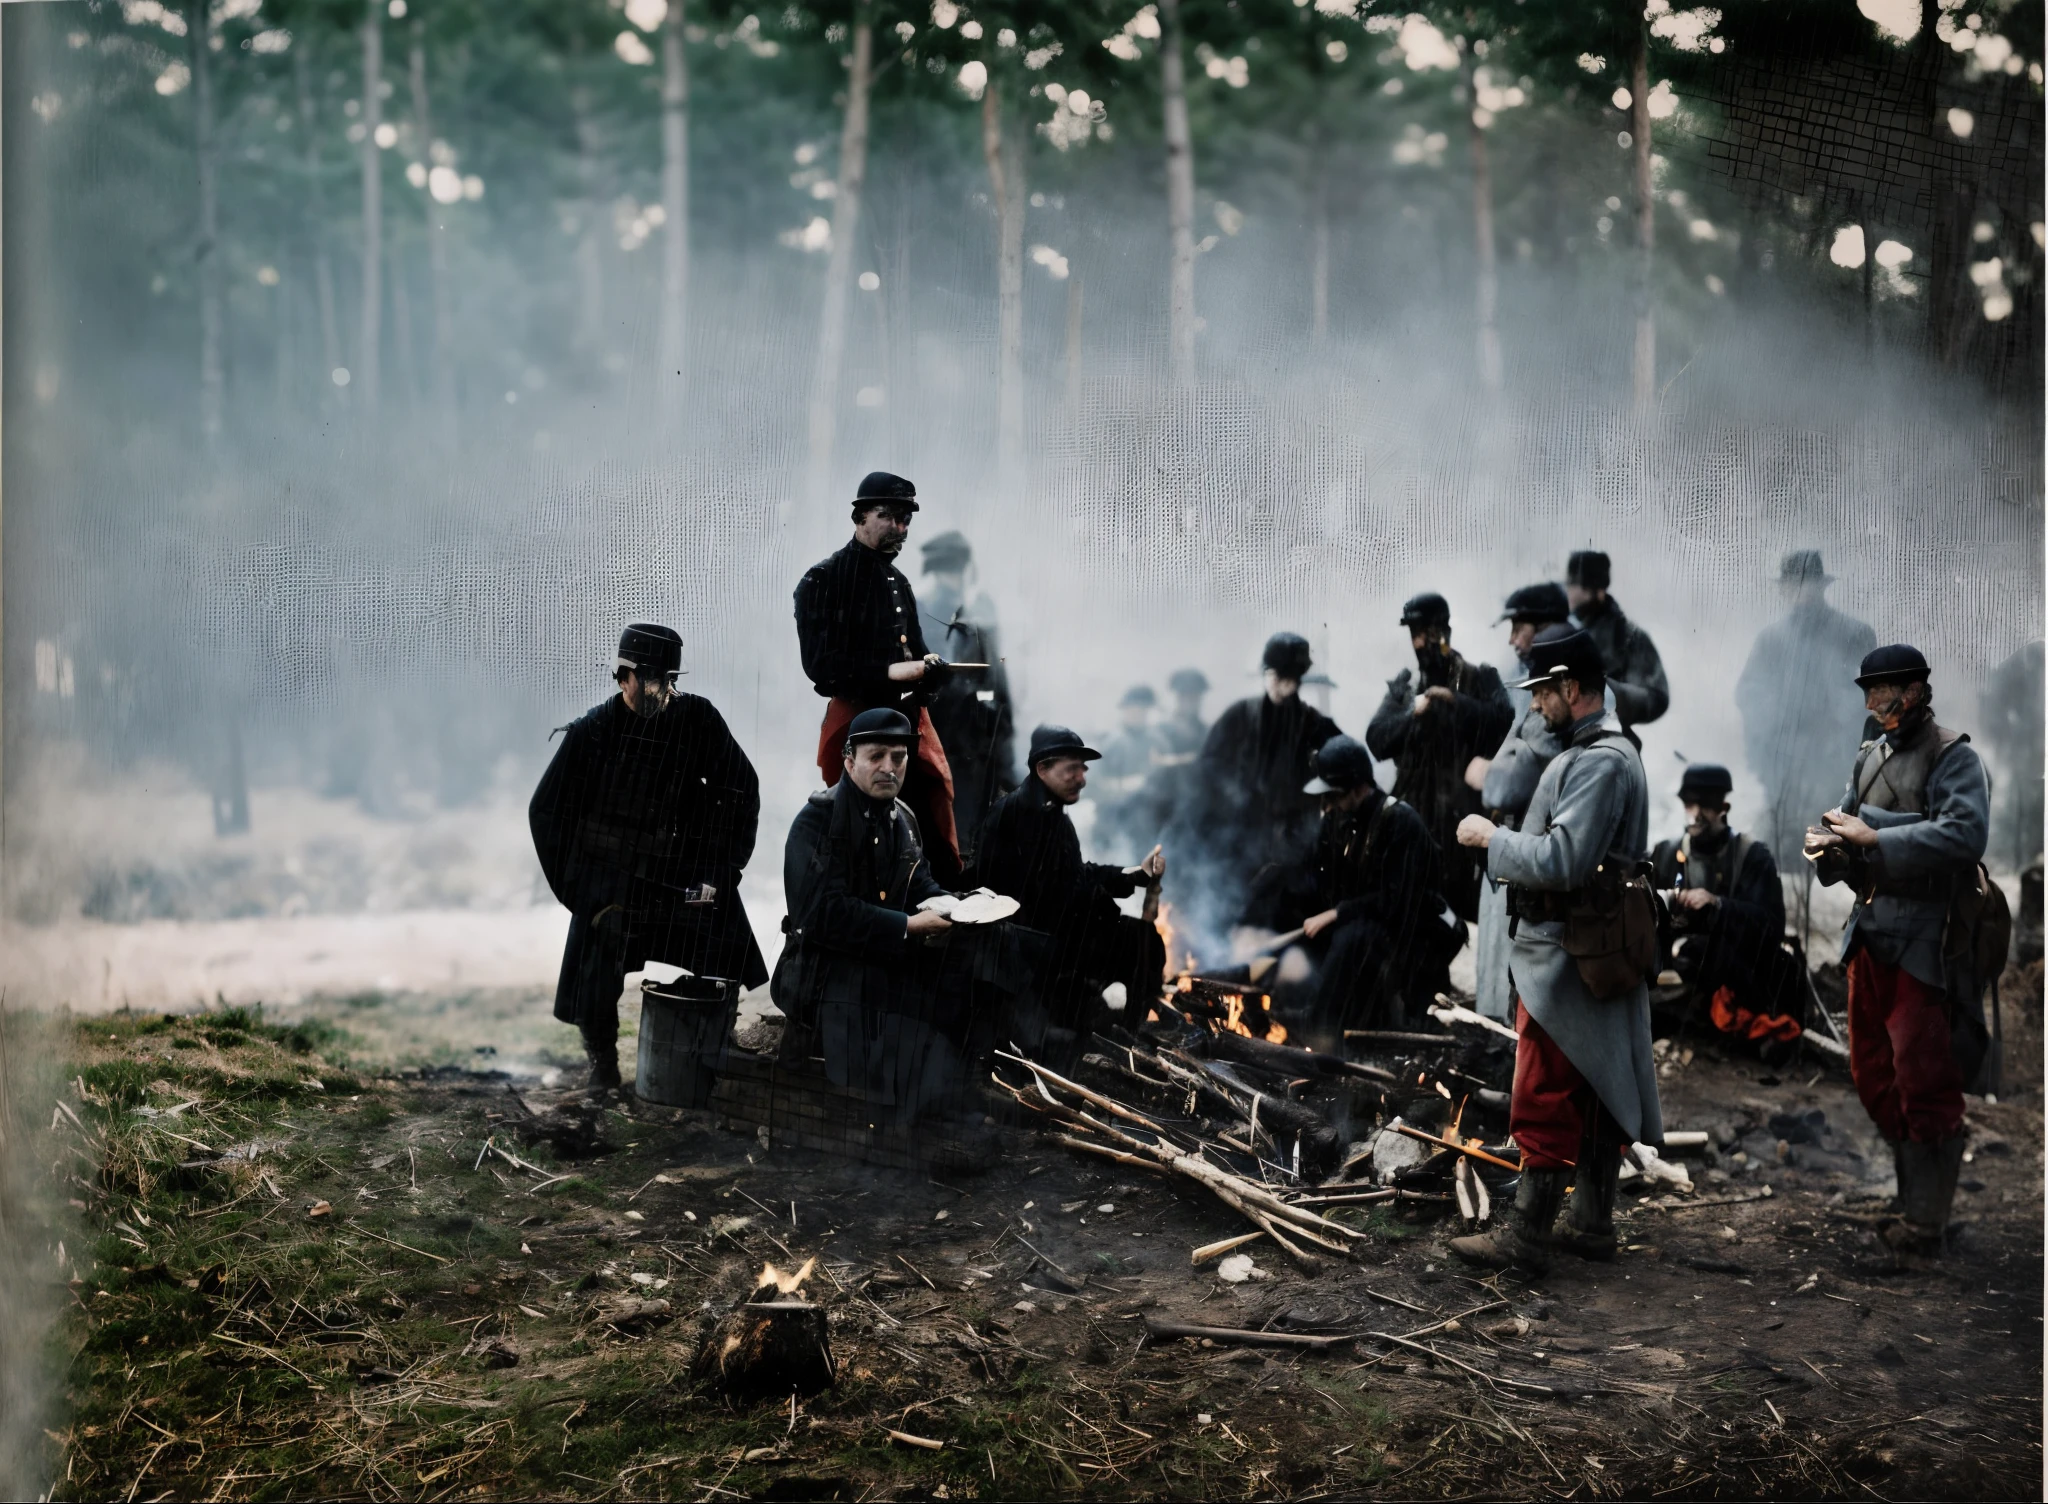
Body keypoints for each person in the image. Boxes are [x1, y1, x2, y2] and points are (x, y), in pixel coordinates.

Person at [1448, 628, 1662, 1274]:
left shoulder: (1600, 760)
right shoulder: (1598, 753)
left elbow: (1566, 860)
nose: (1537, 706)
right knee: (1595, 1086)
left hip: (1570, 951)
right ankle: (1592, 1222)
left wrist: (1493, 840)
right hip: (1585, 947)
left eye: (1543, 691)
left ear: (1572, 687)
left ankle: (1528, 1237)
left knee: (1541, 1090)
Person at [1807, 644, 1992, 1255]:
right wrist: (1830, 848)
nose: (1870, 703)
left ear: (1912, 692)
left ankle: (1926, 1220)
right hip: (1871, 934)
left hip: (1926, 942)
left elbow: (1965, 835)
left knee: (1925, 1078)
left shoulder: (1953, 755)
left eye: (1880, 691)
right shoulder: (1870, 755)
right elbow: (1850, 827)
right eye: (1866, 692)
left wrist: (1875, 833)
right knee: (1872, 1074)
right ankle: (1913, 1195)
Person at [529, 623, 768, 1091]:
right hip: (611, 885)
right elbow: (547, 813)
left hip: (682, 875)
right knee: (595, 977)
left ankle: (715, 1056)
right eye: (651, 678)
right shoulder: (591, 733)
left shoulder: (697, 719)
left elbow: (742, 789)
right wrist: (583, 895)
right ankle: (603, 1069)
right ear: (625, 677)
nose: (663, 690)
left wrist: (724, 869)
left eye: (670, 679)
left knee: (723, 954)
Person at [771, 709, 1007, 1124]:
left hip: (881, 958)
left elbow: (920, 886)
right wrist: (908, 927)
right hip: (825, 975)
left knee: (980, 965)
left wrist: (958, 906)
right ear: (849, 760)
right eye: (876, 756)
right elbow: (821, 914)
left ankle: (963, 1086)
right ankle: (925, 1112)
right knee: (908, 1022)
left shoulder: (903, 820)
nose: (889, 768)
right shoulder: (818, 821)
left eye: (898, 758)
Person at [793, 470, 964, 885]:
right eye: (889, 516)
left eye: (906, 520)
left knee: (929, 824)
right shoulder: (822, 580)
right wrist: (893, 673)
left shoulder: (898, 582)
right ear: (860, 516)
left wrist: (930, 674)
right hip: (859, 729)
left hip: (908, 728)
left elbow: (916, 650)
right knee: (861, 838)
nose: (900, 529)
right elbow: (821, 668)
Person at [1257, 735, 1461, 1049]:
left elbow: (1397, 902)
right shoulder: (1338, 820)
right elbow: (1317, 876)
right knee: (1301, 918)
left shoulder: (1400, 822)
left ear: (1358, 788)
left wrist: (1337, 913)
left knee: (1352, 935)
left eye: (1333, 796)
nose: (1326, 806)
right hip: (1365, 921)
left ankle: (1319, 1026)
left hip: (1412, 936)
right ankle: (1289, 1005)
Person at [973, 724, 1168, 1041]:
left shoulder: (1051, 813)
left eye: (1083, 769)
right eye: (1072, 769)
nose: (1082, 778)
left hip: (1055, 933)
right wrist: (1104, 907)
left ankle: (1123, 1029)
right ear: (1042, 768)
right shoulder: (1020, 815)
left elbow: (1076, 872)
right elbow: (1053, 892)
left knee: (1142, 940)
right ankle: (1119, 1032)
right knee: (1139, 943)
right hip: (1029, 943)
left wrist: (1136, 874)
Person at [1366, 592, 1513, 923]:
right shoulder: (1404, 689)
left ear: (1443, 631)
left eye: (1426, 632)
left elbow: (1502, 719)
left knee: (1456, 915)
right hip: (1411, 819)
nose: (1419, 643)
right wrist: (1413, 714)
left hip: (1459, 821)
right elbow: (1376, 738)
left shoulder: (1479, 678)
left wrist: (1455, 702)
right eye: (1414, 634)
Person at [1179, 632, 1343, 928]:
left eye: (1292, 678)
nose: (1285, 685)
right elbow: (1208, 765)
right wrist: (1233, 794)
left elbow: (1344, 757)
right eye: (1278, 676)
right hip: (1241, 834)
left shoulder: (1311, 722)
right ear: (1266, 674)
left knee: (1285, 907)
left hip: (1292, 835)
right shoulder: (1241, 716)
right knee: (1233, 905)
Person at [1467, 587, 1574, 1021]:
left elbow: (1505, 787)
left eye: (1520, 627)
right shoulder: (1537, 687)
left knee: (1525, 974)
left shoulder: (1559, 694)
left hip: (1536, 848)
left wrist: (1485, 773)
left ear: (1545, 628)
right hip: (1516, 844)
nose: (1512, 639)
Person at [1735, 550, 1878, 875]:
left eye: (1803, 584)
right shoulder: (1770, 640)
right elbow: (1747, 692)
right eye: (1790, 585)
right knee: (1783, 848)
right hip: (1784, 759)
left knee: (1833, 841)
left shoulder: (1854, 633)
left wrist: (1839, 724)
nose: (1796, 592)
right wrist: (1774, 727)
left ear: (1819, 587)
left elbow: (1870, 697)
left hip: (1835, 759)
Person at [1649, 764, 1804, 1049]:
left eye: (1705, 806)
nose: (1696, 815)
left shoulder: (1752, 857)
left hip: (1735, 970)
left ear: (1723, 806)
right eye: (1690, 804)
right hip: (1679, 968)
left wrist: (1717, 905)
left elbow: (1771, 927)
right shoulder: (1666, 854)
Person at [916, 529, 1017, 859]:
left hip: (971, 738)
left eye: (955, 570)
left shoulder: (977, 608)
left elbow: (996, 677)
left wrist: (1004, 737)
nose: (953, 577)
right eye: (947, 569)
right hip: (935, 730)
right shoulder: (920, 610)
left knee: (968, 823)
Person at [1565, 550, 1669, 738]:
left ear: (1592, 589)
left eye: (1573, 584)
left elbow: (1657, 697)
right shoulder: (1562, 631)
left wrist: (1608, 694)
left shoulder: (1629, 637)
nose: (1568, 591)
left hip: (1608, 743)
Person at [1980, 639, 2044, 871]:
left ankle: (2026, 857)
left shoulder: (2034, 656)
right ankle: (2020, 859)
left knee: (2029, 802)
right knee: (2020, 800)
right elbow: (1996, 707)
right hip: (2018, 747)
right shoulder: (2010, 663)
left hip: (2030, 745)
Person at [1093, 686, 1166, 862]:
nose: (1138, 714)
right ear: (1124, 710)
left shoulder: (1158, 741)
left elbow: (1166, 782)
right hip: (1114, 822)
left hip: (1147, 823)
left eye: (1143, 710)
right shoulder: (1112, 742)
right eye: (1134, 709)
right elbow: (1094, 785)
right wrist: (1127, 785)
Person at [1158, 668, 1212, 757]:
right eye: (1186, 696)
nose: (1191, 703)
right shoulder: (1161, 732)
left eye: (1196, 697)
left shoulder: (1206, 732)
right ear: (1178, 698)